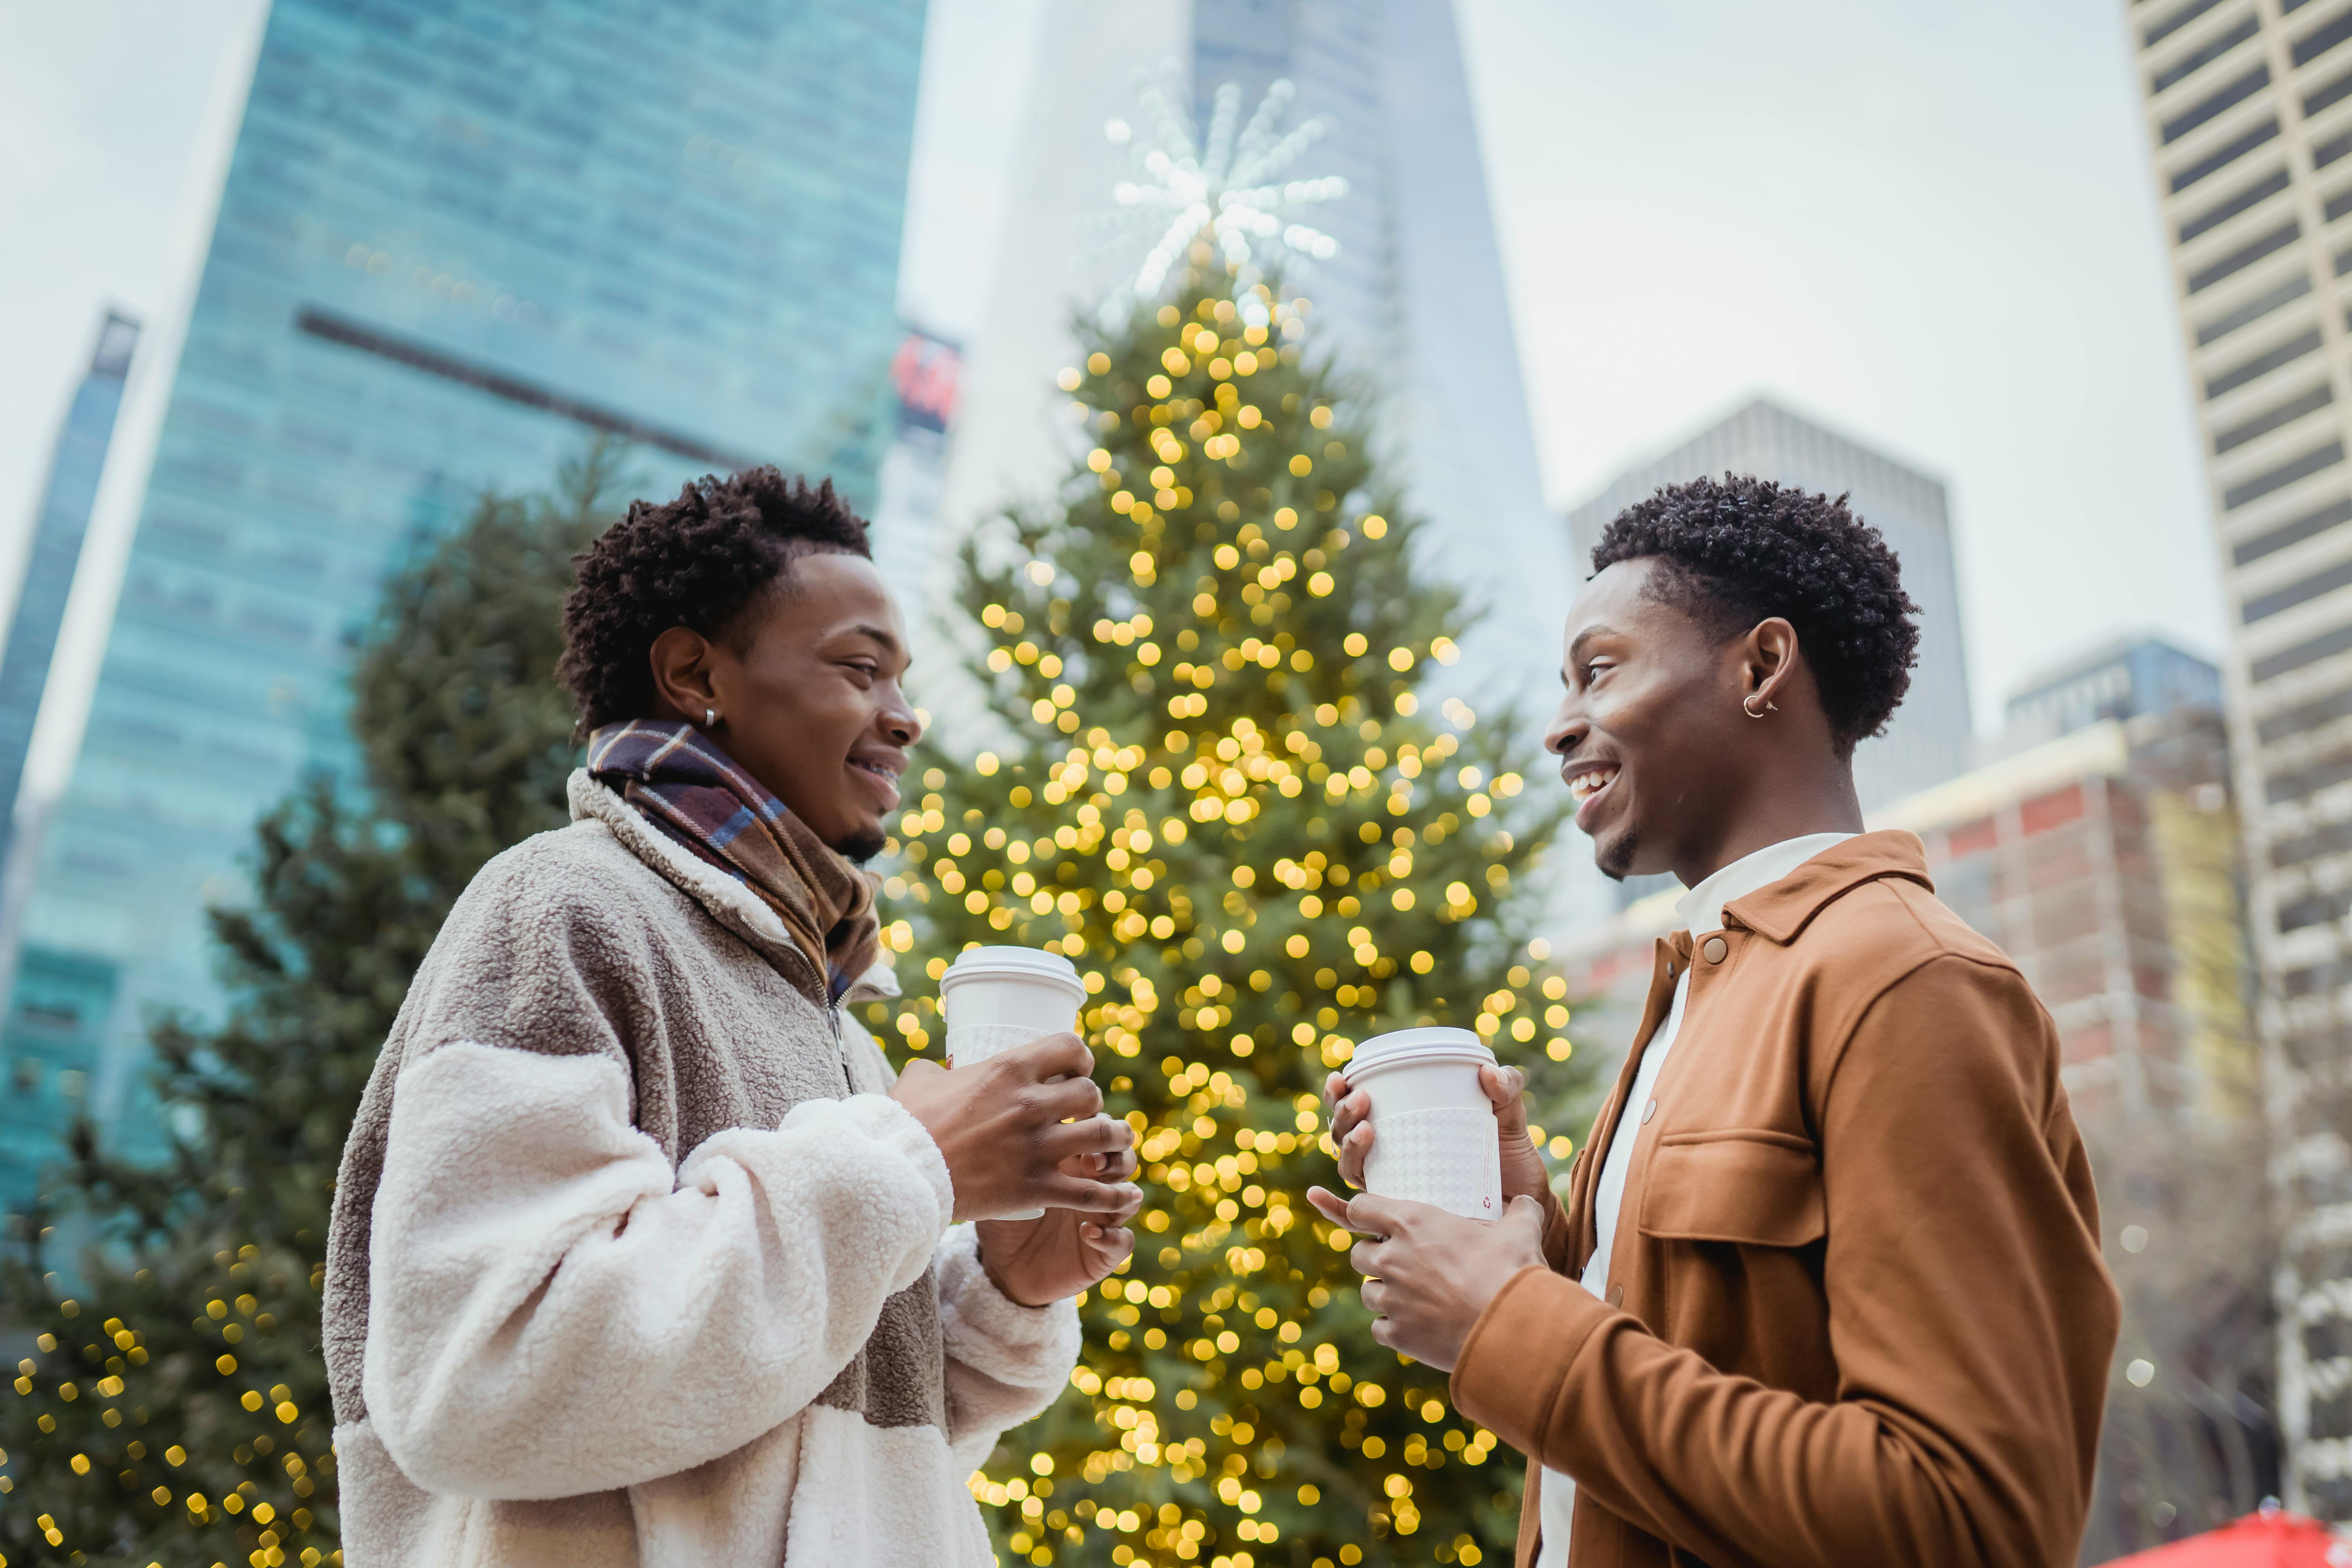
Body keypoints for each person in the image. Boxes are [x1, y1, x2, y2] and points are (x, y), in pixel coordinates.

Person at [323, 467, 1142, 1567]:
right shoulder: (563, 906)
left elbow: (804, 1452)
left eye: (905, 683)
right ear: (692, 672)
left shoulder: (839, 1025)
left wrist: (1005, 1288)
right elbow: (483, 1377)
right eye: (861, 670)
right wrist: (911, 1163)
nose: (903, 719)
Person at [1309, 475, 2119, 1568]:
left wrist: (1506, 1322)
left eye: (1599, 670)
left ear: (1761, 667)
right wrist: (1536, 1240)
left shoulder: (1904, 982)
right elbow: (1697, 1355)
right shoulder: (1700, 983)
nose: (1558, 727)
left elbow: (1967, 1520)